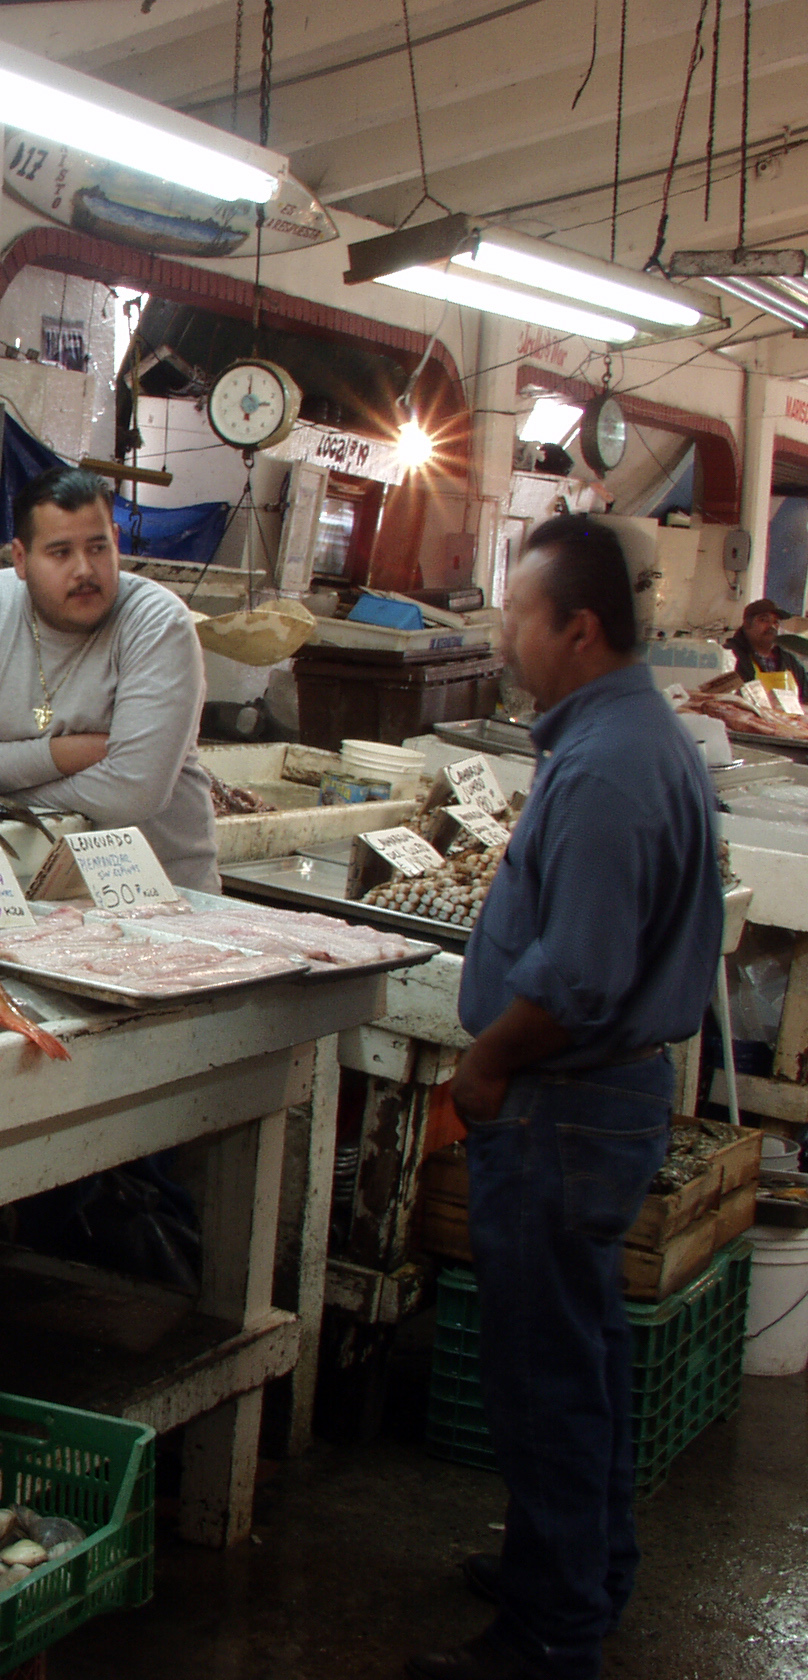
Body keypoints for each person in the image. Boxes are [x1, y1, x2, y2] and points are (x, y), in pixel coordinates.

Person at [414, 516, 720, 1680]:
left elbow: (581, 977)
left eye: (515, 615)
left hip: (558, 1108)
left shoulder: (603, 765)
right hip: (599, 1108)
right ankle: (580, 1574)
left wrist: (485, 1062)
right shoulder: (639, 733)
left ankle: (549, 1636)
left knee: (545, 1374)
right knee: (580, 1354)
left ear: (576, 629)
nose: (501, 635)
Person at [0, 465, 219, 891]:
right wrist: (67, 754)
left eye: (98, 548)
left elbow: (133, 795)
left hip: (158, 894)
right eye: (61, 552)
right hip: (22, 891)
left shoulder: (157, 622)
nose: (85, 569)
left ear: (117, 543)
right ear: (22, 560)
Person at [726, 597, 808, 694]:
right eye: (764, 620)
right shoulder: (730, 657)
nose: (772, 626)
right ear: (747, 624)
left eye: (776, 622)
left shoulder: (790, 660)